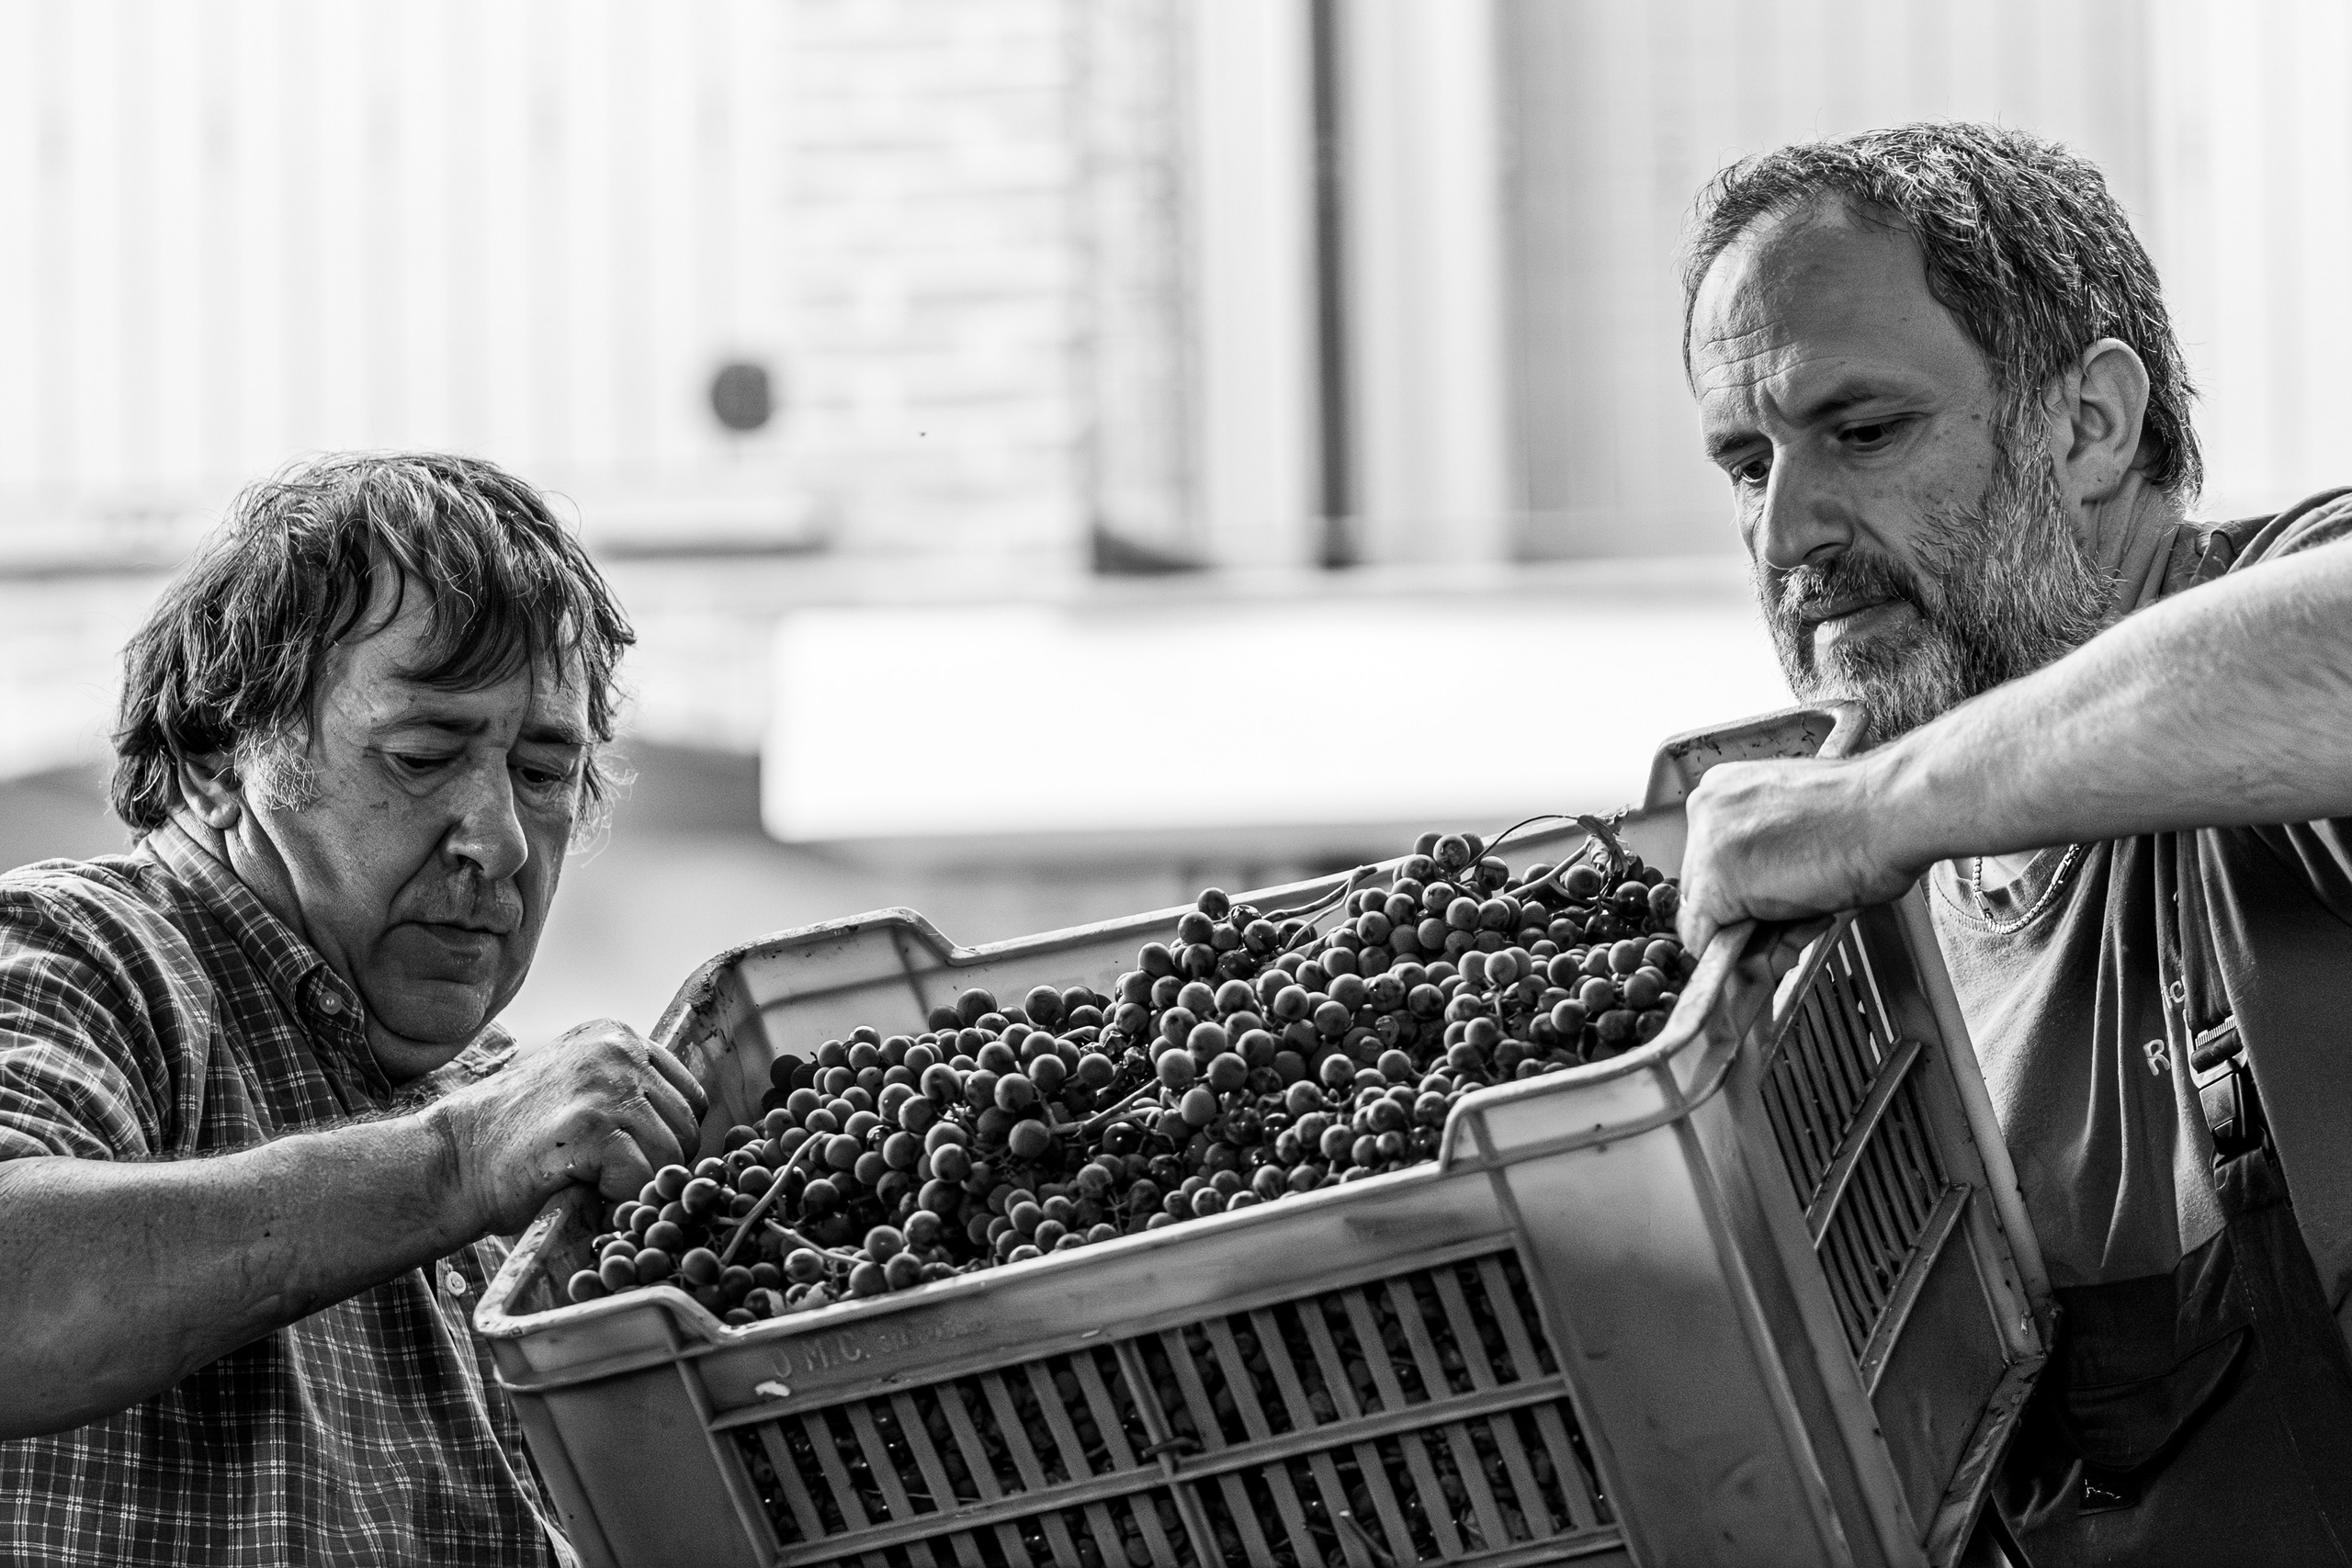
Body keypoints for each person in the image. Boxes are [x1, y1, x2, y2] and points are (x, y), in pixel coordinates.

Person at [1671, 122, 2352, 1562]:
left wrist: (1871, 805)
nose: (1789, 527)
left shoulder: (2284, 622)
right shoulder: (1867, 967)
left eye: (1862, 431)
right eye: (1746, 462)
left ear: (2092, 424)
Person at [0, 453, 708, 1564]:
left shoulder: (509, 1118)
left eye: (541, 773)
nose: (501, 841)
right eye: (425, 754)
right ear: (216, 760)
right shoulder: (80, 951)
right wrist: (453, 1165)